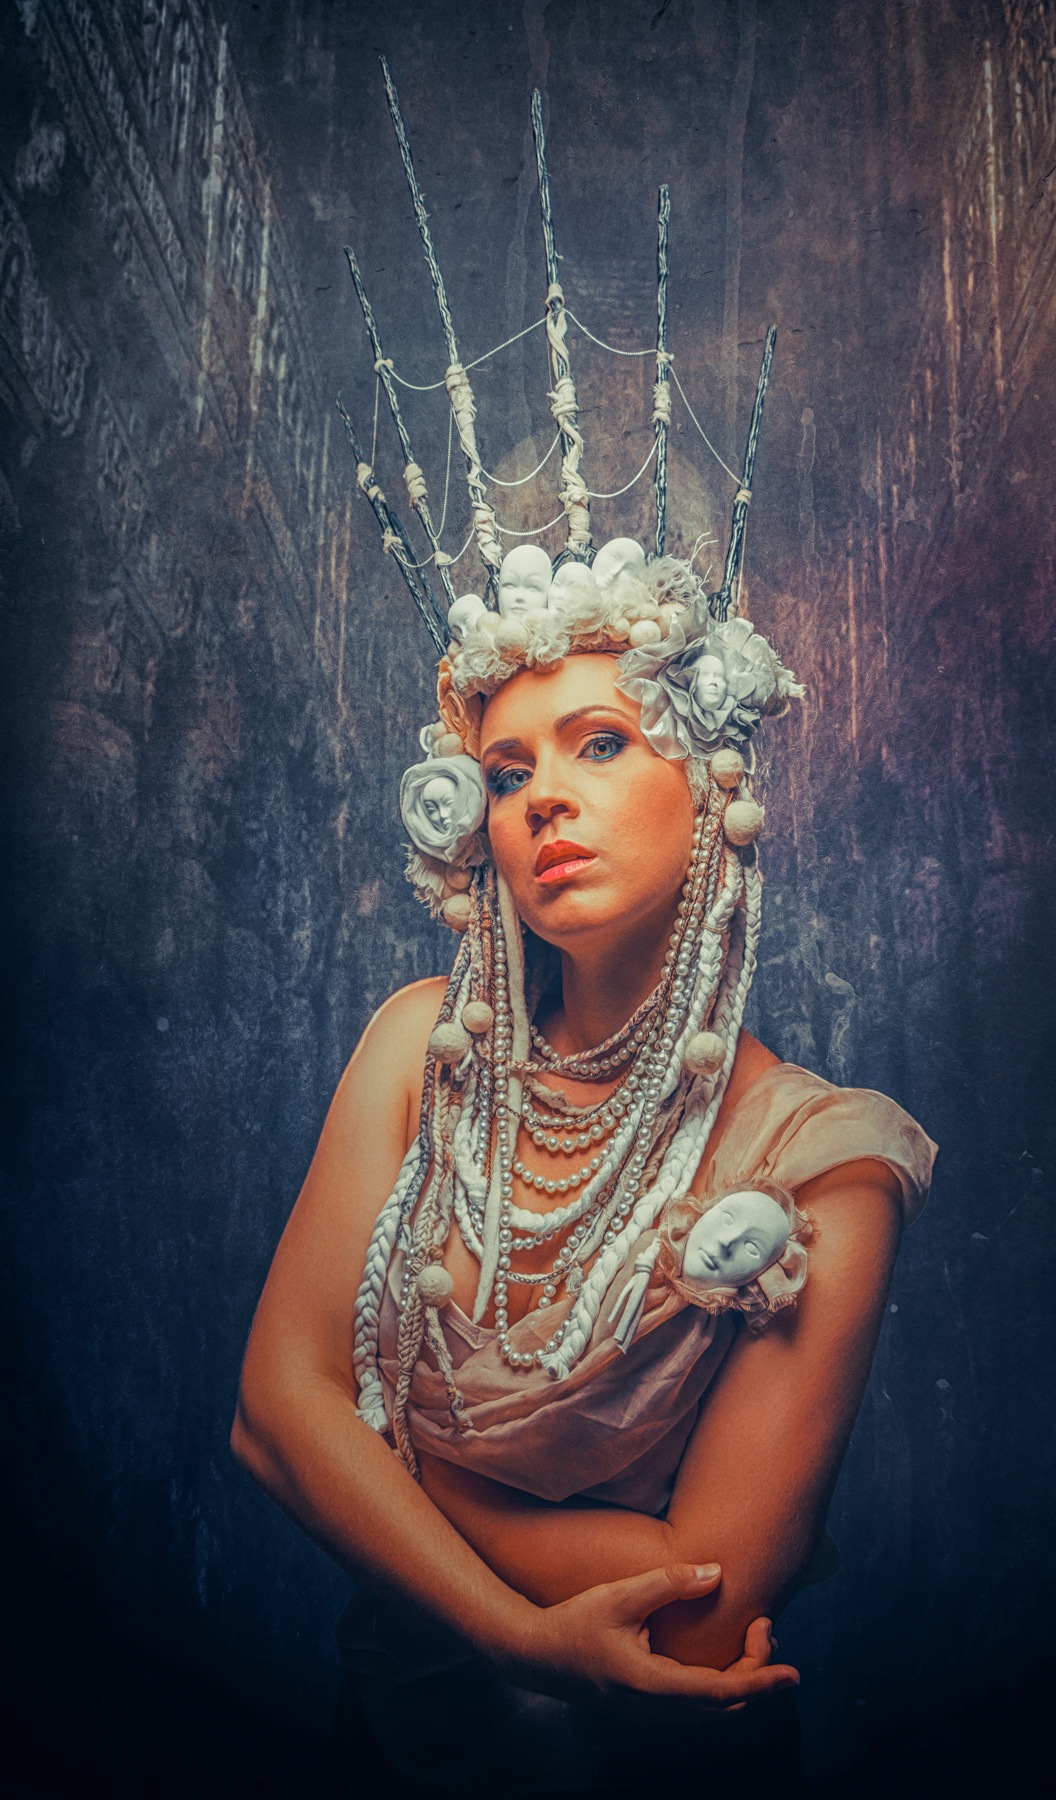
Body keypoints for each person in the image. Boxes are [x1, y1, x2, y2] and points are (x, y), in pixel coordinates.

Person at [232, 541, 935, 1799]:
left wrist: (401, 1465)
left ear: (710, 781)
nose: (542, 799)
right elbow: (273, 1416)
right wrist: (518, 1633)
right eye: (508, 773)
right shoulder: (421, 1051)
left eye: (599, 743)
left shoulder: (826, 1165)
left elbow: (702, 1611)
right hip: (384, 1749)